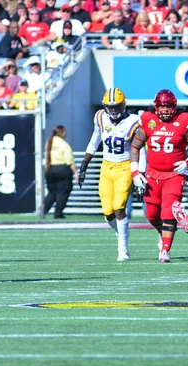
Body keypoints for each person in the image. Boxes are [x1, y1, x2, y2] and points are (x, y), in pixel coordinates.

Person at [129, 89, 188, 263]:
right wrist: (134, 171)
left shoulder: (184, 121)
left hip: (174, 174)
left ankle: (165, 250)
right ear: (156, 107)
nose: (165, 110)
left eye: (168, 106)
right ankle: (162, 235)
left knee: (169, 210)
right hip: (153, 174)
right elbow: (135, 146)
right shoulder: (148, 120)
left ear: (175, 107)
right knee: (152, 214)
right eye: (162, 106)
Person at [78, 88, 141, 262]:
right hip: (106, 166)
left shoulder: (134, 121)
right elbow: (95, 140)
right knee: (107, 211)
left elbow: (140, 147)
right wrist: (84, 164)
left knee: (119, 206)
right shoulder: (100, 117)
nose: (113, 110)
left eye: (116, 106)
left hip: (124, 166)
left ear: (124, 105)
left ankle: (123, 249)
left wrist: (139, 172)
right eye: (110, 107)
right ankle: (121, 233)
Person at [42, 125, 77, 219]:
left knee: (52, 192)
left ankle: (44, 209)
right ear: (61, 133)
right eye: (64, 131)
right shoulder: (64, 144)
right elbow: (70, 161)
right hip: (63, 170)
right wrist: (76, 173)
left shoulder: (49, 142)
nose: (66, 133)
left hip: (50, 169)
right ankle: (58, 213)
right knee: (63, 192)